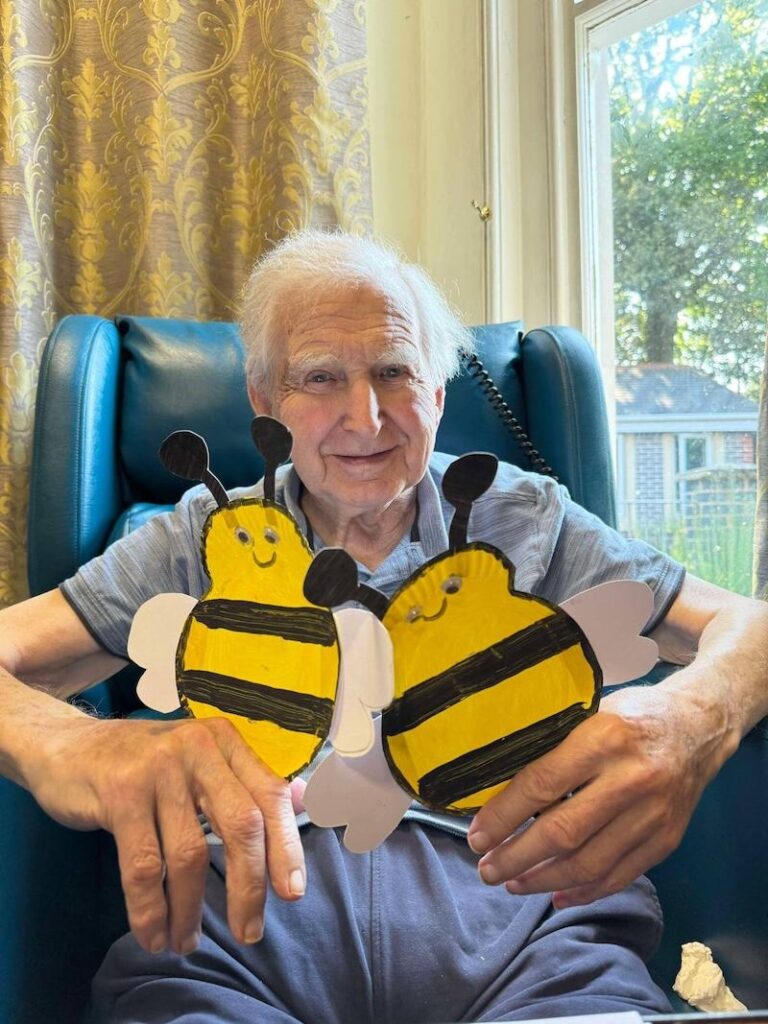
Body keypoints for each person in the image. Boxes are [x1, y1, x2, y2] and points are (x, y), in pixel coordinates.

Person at [1, 230, 766, 1023]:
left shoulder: (528, 520)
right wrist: (78, 743)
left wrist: (690, 718)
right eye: (321, 378)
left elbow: (751, 627)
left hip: (535, 934)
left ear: (437, 392)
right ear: (265, 402)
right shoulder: (204, 536)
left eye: (394, 372)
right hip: (233, 948)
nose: (364, 418)